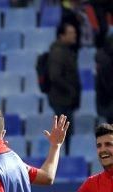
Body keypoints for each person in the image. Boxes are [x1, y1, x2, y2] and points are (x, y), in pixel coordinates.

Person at [47, 22, 80, 151]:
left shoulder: (66, 51)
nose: (74, 35)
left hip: (66, 99)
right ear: (62, 35)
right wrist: (71, 90)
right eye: (71, 33)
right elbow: (55, 76)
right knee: (64, 133)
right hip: (61, 99)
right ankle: (63, 158)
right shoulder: (58, 52)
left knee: (67, 132)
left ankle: (66, 154)